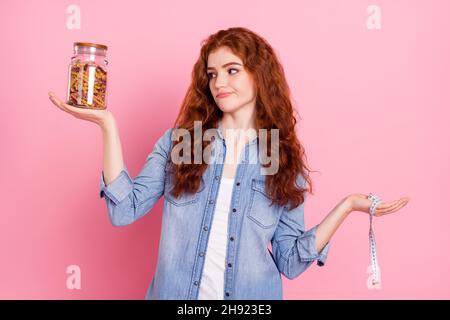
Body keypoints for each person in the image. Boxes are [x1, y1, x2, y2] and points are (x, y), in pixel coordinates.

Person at [48, 27, 409, 300]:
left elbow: (289, 259)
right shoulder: (185, 143)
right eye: (212, 73)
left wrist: (347, 206)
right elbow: (124, 210)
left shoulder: (278, 157)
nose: (219, 81)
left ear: (258, 75)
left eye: (232, 70)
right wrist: (107, 125)